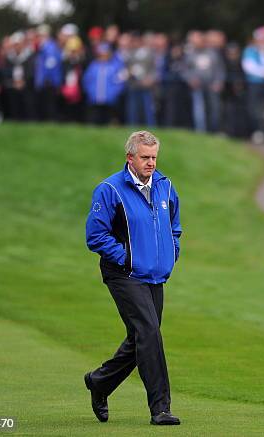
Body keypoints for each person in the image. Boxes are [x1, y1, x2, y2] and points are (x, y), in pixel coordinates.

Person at [84, 130, 181, 426]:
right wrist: (127, 257)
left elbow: (174, 224)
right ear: (130, 158)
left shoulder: (165, 186)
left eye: (154, 157)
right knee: (150, 333)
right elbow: (95, 235)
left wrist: (172, 250)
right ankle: (160, 408)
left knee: (140, 337)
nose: (151, 163)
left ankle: (100, 382)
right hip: (123, 274)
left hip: (154, 274)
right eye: (145, 158)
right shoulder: (110, 190)